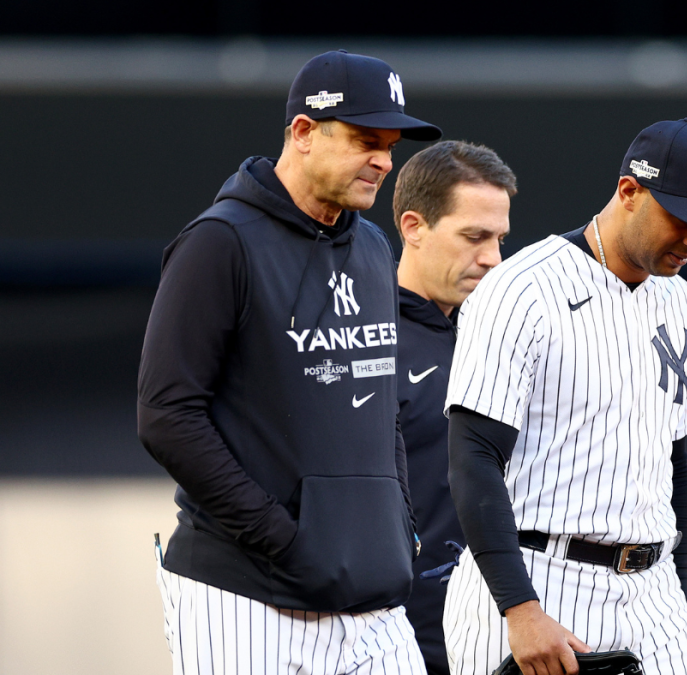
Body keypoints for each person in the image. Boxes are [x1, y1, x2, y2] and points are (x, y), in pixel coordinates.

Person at [137, 50, 442, 675]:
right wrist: (284, 538)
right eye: (365, 140)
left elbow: (379, 405)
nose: (384, 160)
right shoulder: (219, 242)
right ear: (303, 133)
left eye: (389, 145)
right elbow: (167, 416)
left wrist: (397, 524)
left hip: (368, 597)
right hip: (248, 598)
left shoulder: (371, 246)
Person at [441, 118, 687, 675]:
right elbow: (473, 459)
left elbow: (671, 463)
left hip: (653, 593)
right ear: (630, 191)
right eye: (683, 219)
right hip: (541, 578)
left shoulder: (683, 305)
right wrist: (520, 607)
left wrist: (676, 591)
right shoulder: (522, 290)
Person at [391, 140, 518, 675]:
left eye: (499, 239)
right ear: (414, 227)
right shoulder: (364, 341)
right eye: (474, 237)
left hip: (498, 630)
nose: (493, 257)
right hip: (389, 635)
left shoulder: (508, 334)